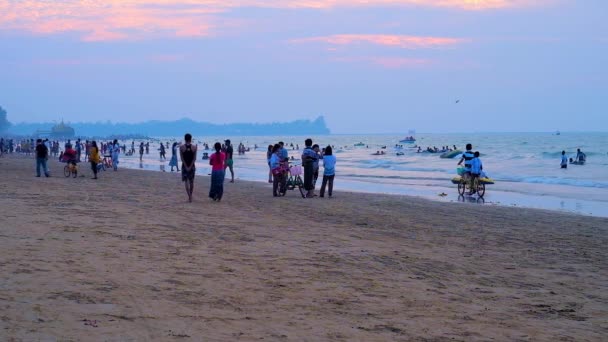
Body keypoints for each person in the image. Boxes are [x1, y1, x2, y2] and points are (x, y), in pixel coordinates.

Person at [180, 133, 197, 202]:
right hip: (192, 166)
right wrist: (190, 166)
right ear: (191, 139)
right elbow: (194, 159)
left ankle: (189, 196)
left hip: (184, 166)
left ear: (185, 139)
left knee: (186, 181)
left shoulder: (181, 147)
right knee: (191, 182)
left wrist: (186, 166)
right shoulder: (194, 147)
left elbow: (182, 159)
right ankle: (191, 195)